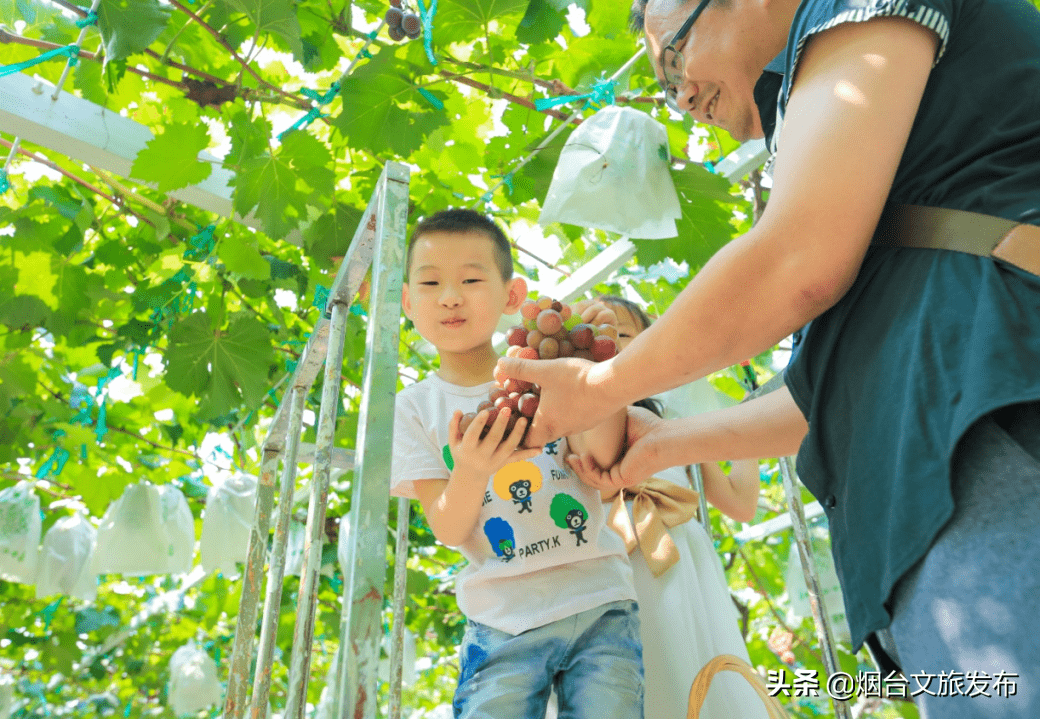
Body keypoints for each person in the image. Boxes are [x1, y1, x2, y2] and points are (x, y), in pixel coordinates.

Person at [500, 0, 1040, 716]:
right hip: (950, 443)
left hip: (997, 417)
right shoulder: (879, 174)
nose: (682, 95)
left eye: (674, 60)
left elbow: (797, 259)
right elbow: (829, 395)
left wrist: (603, 384)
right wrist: (661, 443)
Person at [390, 209, 644, 719]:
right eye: (431, 282)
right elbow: (446, 525)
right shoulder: (412, 409)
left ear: (512, 295)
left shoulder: (551, 372)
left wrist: (601, 378)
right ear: (407, 302)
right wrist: (471, 470)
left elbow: (602, 458)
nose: (450, 296)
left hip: (599, 598)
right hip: (501, 617)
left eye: (470, 279)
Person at [582, 295, 768, 719]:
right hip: (603, 553)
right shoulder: (564, 422)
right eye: (590, 330)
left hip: (676, 552)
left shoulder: (674, 421)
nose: (604, 339)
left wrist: (751, 429)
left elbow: (739, 503)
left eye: (621, 333)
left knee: (688, 663)